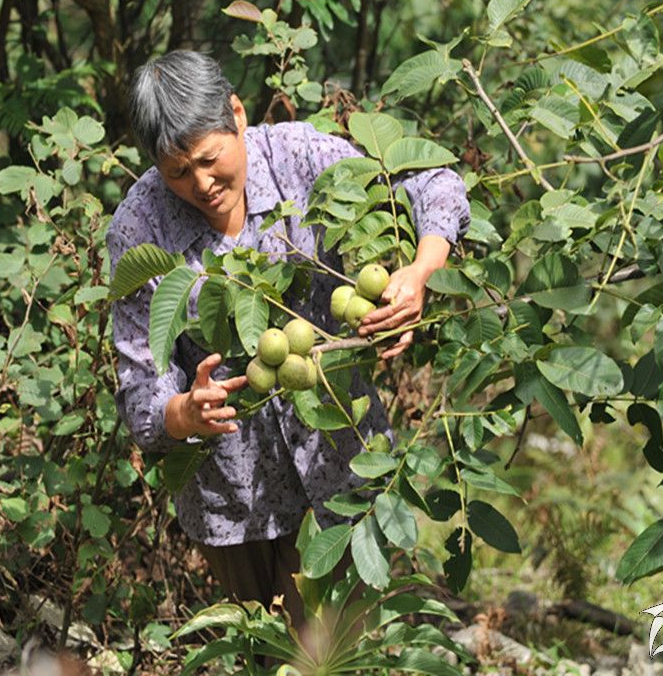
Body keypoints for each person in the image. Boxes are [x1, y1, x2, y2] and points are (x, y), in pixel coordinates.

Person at [106, 50, 470, 631]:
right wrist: (183, 413)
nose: (201, 184)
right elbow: (141, 391)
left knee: (342, 653)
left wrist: (420, 271)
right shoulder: (138, 229)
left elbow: (432, 182)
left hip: (344, 473)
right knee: (265, 655)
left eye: (209, 159)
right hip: (235, 502)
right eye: (177, 172)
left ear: (237, 114)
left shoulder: (298, 157)